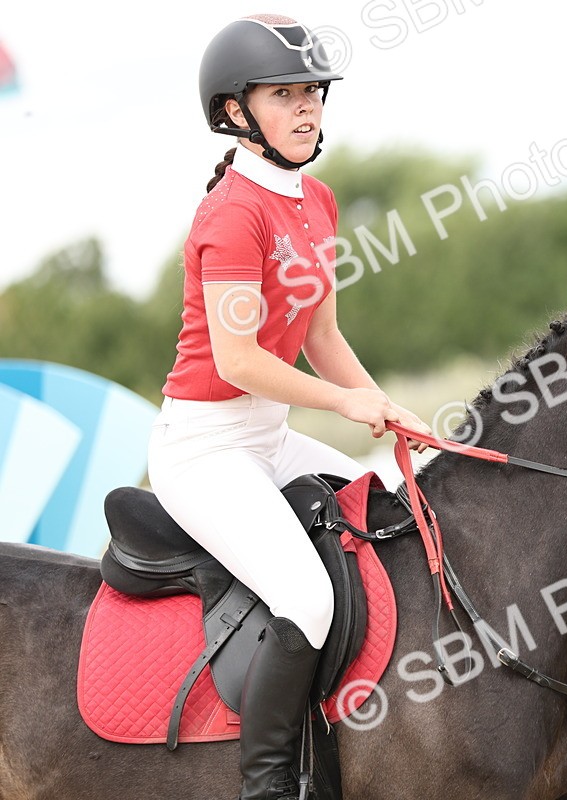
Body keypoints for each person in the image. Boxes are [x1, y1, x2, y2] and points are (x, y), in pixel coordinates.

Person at [146, 14, 431, 800]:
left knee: (400, 515)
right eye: (284, 94)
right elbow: (239, 361)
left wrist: (385, 405)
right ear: (236, 112)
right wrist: (343, 402)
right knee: (303, 597)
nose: (307, 108)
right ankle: (267, 783)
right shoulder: (232, 214)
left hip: (270, 440)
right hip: (205, 450)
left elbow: (322, 336)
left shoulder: (317, 199)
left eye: (312, 92)